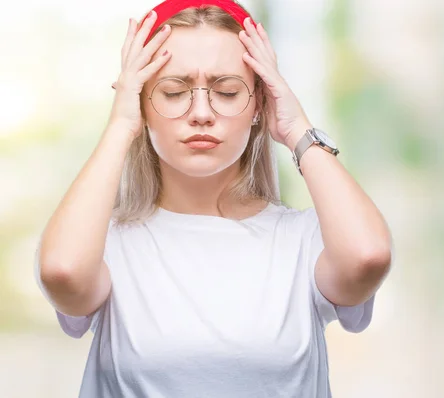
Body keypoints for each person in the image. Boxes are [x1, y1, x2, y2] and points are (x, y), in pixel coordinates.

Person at [34, 0, 393, 396]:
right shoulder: (107, 243)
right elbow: (63, 273)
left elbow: (367, 257)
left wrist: (297, 128)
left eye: (226, 91)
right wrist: (120, 124)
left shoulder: (305, 240)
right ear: (141, 105)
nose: (201, 112)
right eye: (173, 92)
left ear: (259, 103)